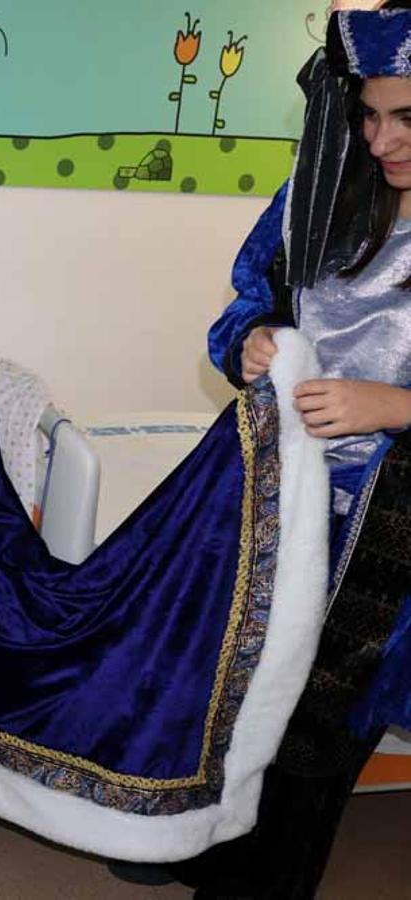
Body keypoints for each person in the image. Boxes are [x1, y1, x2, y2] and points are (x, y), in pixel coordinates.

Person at [172, 5, 411, 896]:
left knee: (315, 740)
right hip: (282, 502)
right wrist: (250, 342)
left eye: (405, 117)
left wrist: (396, 405)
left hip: (386, 540)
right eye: (369, 114)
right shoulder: (322, 194)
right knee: (240, 704)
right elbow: (239, 307)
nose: (381, 138)